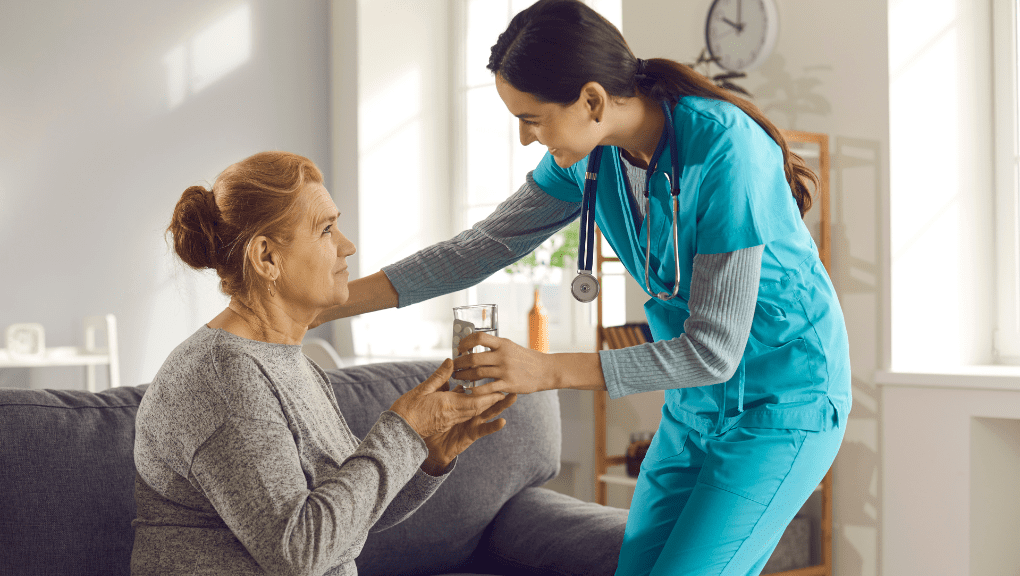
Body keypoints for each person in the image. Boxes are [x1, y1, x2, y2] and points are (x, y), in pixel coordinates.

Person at [314, 1, 851, 574]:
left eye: (532, 118)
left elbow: (715, 350)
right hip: (695, 404)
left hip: (783, 401)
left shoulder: (725, 149)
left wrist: (545, 369)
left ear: (592, 100)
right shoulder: (594, 160)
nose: (525, 139)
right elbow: (480, 247)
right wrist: (328, 303)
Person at [132, 151, 516, 575]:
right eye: (327, 229)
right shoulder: (222, 376)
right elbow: (299, 552)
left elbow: (347, 521)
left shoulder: (288, 361)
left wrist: (425, 455)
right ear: (266, 258)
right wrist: (403, 433)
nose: (347, 246)